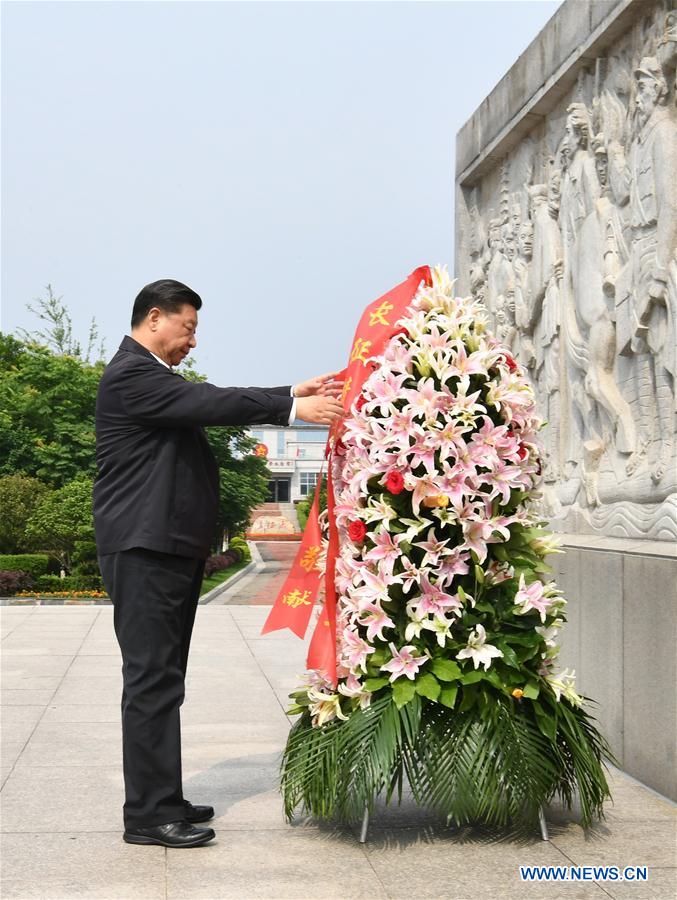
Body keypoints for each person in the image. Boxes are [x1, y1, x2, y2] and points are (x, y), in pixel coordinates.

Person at [94, 279, 344, 848]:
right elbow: (210, 402)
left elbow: (206, 395)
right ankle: (149, 816)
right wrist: (289, 406)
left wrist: (287, 389)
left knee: (165, 680)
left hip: (165, 548)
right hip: (143, 548)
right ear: (154, 318)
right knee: (152, 680)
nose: (192, 342)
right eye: (188, 329)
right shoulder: (131, 374)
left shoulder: (154, 378)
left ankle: (164, 796)